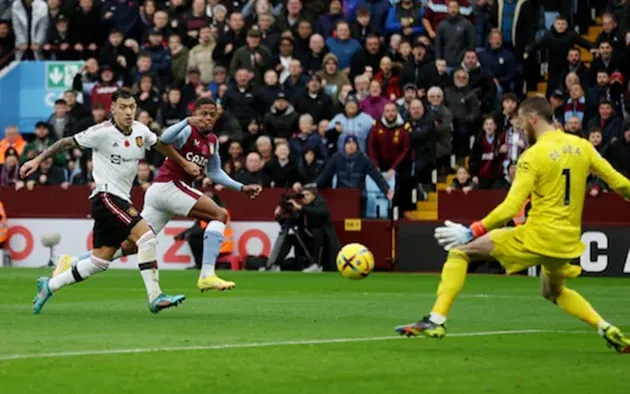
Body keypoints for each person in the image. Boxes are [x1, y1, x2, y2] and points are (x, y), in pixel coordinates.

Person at [395, 96, 630, 353]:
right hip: (567, 242)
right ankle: (605, 327)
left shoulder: (533, 156)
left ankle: (436, 320)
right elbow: (620, 184)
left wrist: (473, 230)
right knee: (553, 292)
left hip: (536, 236)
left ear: (533, 118)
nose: (520, 131)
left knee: (461, 252)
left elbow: (510, 206)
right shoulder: (582, 146)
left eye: (520, 125)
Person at [53, 97, 263, 294]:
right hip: (169, 186)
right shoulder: (187, 130)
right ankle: (207, 274)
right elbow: (166, 138)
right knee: (219, 215)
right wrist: (186, 121)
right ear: (194, 113)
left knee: (131, 246)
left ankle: (71, 261)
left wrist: (241, 187)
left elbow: (215, 171)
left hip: (161, 195)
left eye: (212, 114)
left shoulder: (212, 141)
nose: (208, 118)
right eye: (203, 113)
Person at [21, 88, 199, 315]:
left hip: (119, 199)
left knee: (99, 261)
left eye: (132, 107)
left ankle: (50, 285)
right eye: (123, 107)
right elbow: (66, 142)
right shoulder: (100, 132)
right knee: (146, 238)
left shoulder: (141, 131)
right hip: (106, 196)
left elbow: (160, 144)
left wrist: (183, 163)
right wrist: (37, 160)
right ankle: (156, 296)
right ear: (112, 108)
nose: (128, 112)